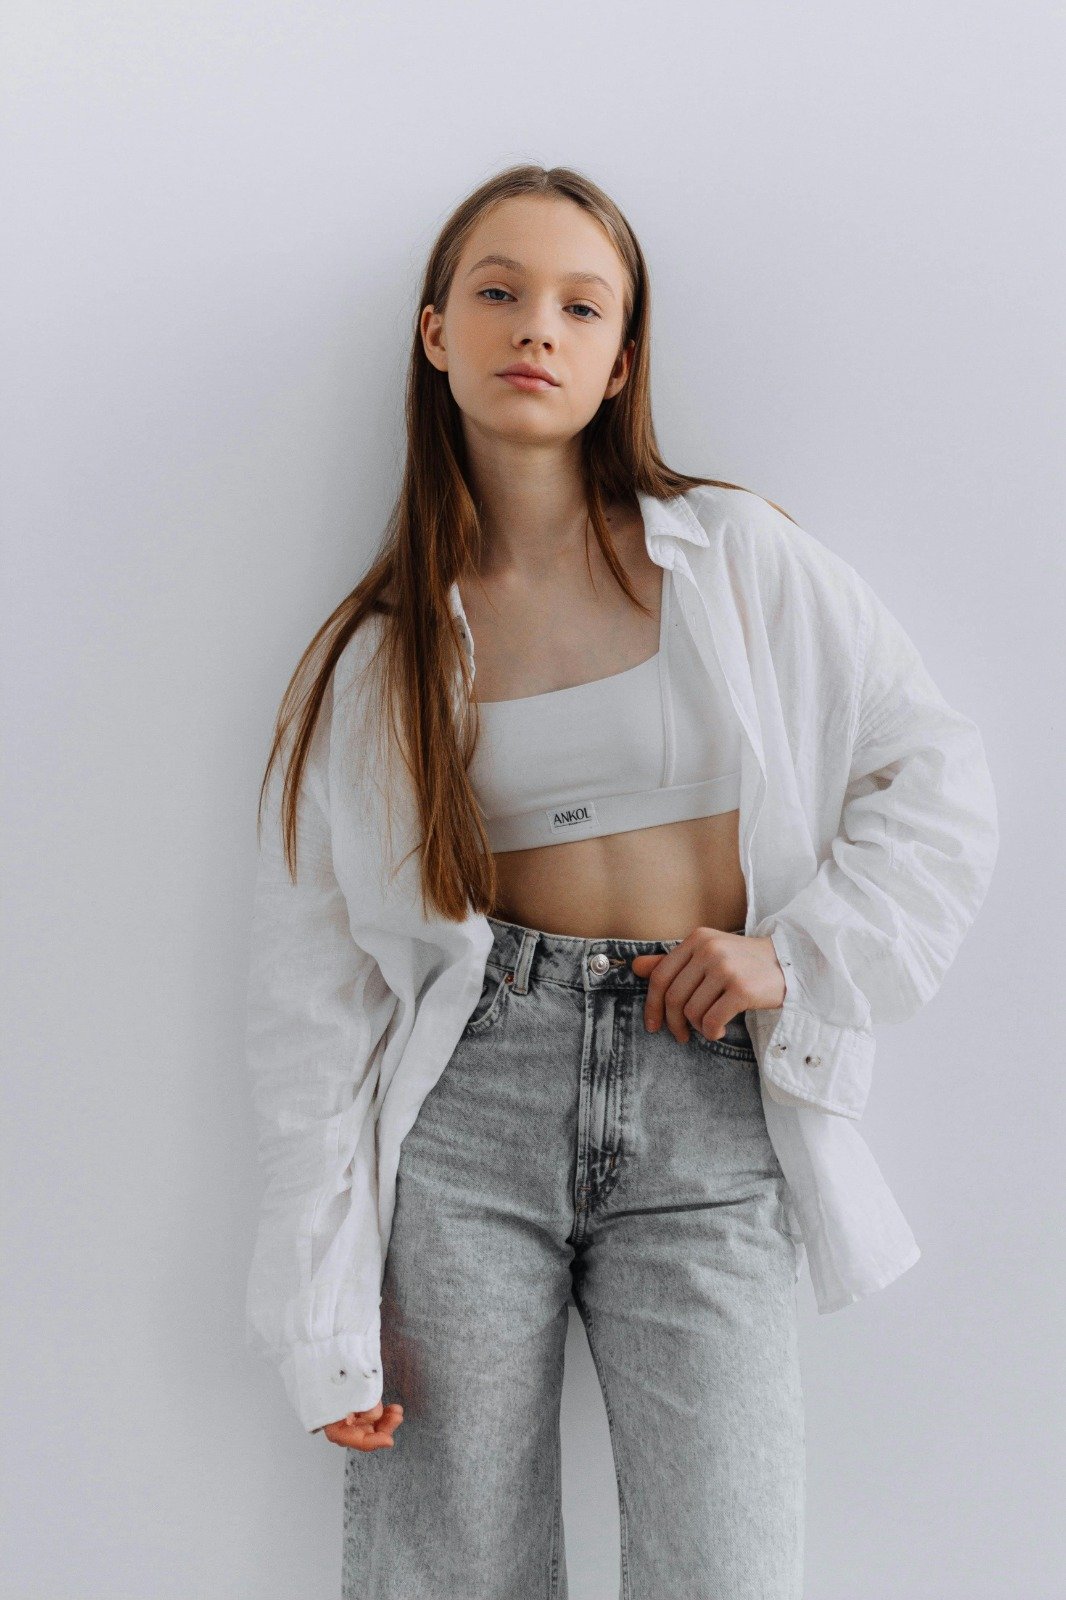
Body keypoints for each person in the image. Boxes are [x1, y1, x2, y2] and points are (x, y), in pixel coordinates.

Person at [242, 164, 999, 1599]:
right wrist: (322, 1311)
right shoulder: (384, 653)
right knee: (450, 1571)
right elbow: (313, 1001)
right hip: (472, 1112)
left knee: (729, 1570)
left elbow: (934, 775)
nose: (537, 325)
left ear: (621, 361)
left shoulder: (739, 561)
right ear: (435, 334)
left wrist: (800, 953)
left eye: (581, 306)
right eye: (498, 292)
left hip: (701, 1097)